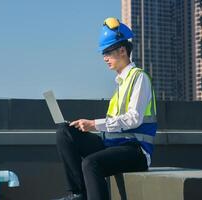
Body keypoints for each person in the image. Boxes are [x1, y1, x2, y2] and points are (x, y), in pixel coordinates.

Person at [53, 17, 157, 200]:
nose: (104, 58)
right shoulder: (120, 84)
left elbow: (134, 119)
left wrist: (94, 124)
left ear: (123, 50)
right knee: (65, 132)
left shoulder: (139, 78)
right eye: (103, 53)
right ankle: (78, 194)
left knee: (90, 163)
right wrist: (85, 126)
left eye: (108, 52)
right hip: (112, 146)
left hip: (135, 151)